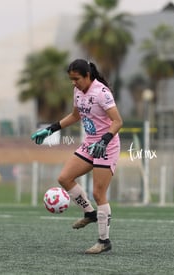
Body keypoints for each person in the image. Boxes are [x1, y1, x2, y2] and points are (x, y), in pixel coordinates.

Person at [31, 59, 123, 254]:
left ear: (87, 76)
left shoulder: (102, 93)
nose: (74, 83)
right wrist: (50, 130)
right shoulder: (78, 91)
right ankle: (89, 213)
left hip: (107, 146)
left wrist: (104, 140)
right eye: (71, 79)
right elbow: (75, 116)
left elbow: (117, 121)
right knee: (64, 178)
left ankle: (104, 241)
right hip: (90, 144)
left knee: (99, 194)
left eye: (77, 79)